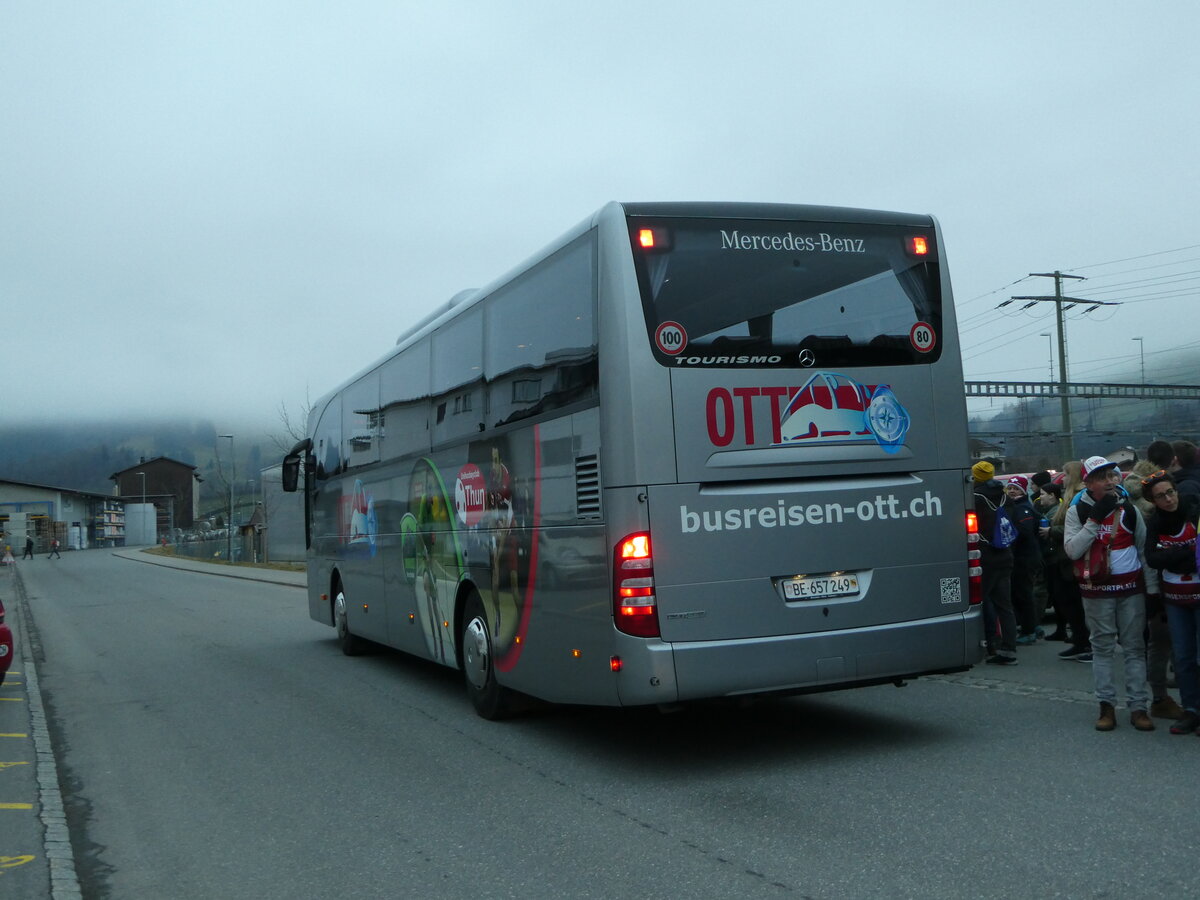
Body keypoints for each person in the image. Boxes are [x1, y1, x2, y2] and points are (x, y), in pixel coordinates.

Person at [1064, 455, 1157, 731]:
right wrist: (1094, 519)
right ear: (1088, 482)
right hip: (1096, 591)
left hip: (1131, 589)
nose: (1109, 481)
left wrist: (1152, 590)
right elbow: (1072, 551)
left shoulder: (1129, 509)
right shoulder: (1077, 511)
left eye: (1112, 476)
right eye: (1101, 477)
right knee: (1102, 649)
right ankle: (1106, 707)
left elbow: (1143, 550)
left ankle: (1139, 707)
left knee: (1134, 649)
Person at [1141, 470, 1197, 731]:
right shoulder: (1155, 522)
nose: (1168, 499)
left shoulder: (1193, 512)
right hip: (1174, 598)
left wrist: (1174, 554)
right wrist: (1187, 552)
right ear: (1153, 501)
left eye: (1170, 492)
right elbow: (1152, 558)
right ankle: (1191, 710)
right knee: (1183, 657)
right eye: (1160, 496)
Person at [973, 461, 1017, 664]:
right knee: (1005, 605)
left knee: (980, 601)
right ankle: (1009, 649)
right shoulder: (1006, 497)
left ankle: (988, 643)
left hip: (985, 555)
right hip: (1005, 554)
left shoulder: (975, 498)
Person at [1049, 461, 1092, 660]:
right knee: (1067, 601)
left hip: (1073, 558)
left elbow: (1076, 528)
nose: (1062, 478)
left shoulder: (1080, 497)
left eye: (1065, 474)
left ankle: (1085, 642)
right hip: (1063, 557)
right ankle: (1079, 639)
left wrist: (1051, 530)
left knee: (1075, 602)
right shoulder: (1069, 497)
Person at [1004, 476, 1043, 644]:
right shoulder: (1014, 506)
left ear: (1023, 490)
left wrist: (1007, 536)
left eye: (1017, 488)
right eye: (1010, 487)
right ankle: (1032, 625)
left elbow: (1024, 532)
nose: (1012, 491)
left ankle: (1029, 631)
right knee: (1019, 593)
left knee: (1023, 594)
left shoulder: (1023, 509)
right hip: (1020, 557)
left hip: (1025, 558)